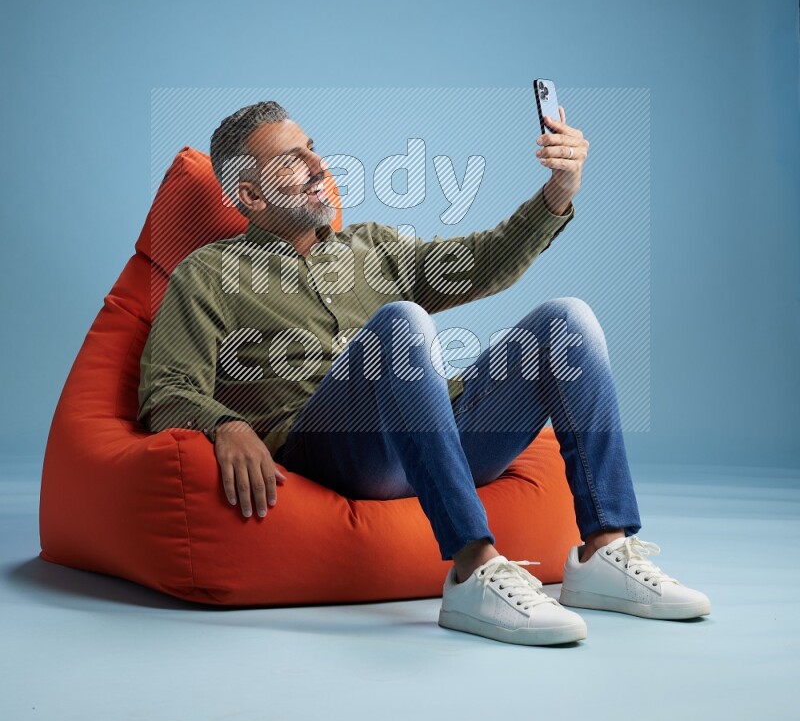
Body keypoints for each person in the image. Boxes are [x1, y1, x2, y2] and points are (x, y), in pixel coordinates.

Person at [138, 99, 711, 646]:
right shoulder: (209, 274)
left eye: (312, 149)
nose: (318, 168)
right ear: (250, 194)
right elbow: (165, 388)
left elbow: (484, 260)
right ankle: (472, 571)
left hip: (448, 439)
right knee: (402, 322)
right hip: (342, 452)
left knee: (568, 320)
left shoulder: (372, 245)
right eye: (292, 160)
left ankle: (602, 552)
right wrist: (227, 425)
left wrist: (558, 192)